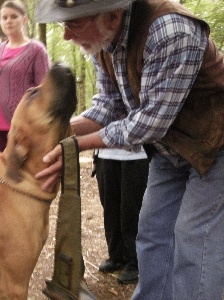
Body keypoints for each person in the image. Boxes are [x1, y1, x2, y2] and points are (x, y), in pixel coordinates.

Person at [34, 0, 224, 299]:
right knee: (151, 233)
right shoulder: (104, 42)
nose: (67, 36)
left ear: (111, 16)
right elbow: (110, 104)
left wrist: (75, 146)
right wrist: (55, 134)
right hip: (171, 151)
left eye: (74, 24)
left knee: (194, 238)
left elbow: (149, 123)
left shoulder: (170, 30)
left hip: (217, 148)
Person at [0, 0, 50, 167]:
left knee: (19, 175)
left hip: (21, 126)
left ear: (24, 20)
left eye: (13, 17)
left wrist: (40, 126)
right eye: (4, 18)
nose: (8, 21)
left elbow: (44, 92)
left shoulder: (36, 50)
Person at [94, 148, 148, 284]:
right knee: (110, 207)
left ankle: (136, 261)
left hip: (136, 154)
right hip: (106, 152)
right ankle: (117, 256)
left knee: (132, 209)